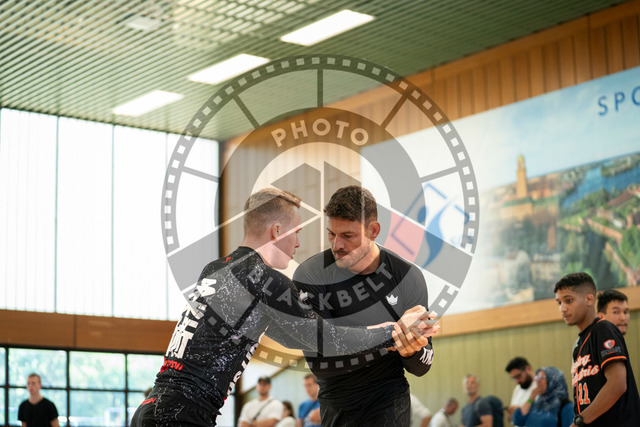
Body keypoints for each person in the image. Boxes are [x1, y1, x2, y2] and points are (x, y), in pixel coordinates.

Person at [131, 188, 437, 426]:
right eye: (297, 233)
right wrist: (394, 331)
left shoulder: (215, 268)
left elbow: (294, 337)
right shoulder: (265, 279)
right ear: (277, 231)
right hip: (181, 416)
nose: (298, 244)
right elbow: (325, 340)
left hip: (153, 407)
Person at [293, 186, 436, 426]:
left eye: (347, 236)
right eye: (331, 234)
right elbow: (321, 363)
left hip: (389, 401)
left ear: (373, 231)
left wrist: (411, 350)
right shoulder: (311, 275)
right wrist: (392, 335)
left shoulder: (407, 276)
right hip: (338, 404)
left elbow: (423, 366)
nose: (337, 245)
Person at [554, 272, 640, 426]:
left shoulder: (603, 329)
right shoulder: (579, 345)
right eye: (559, 302)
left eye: (568, 300)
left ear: (589, 299)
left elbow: (617, 384)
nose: (563, 308)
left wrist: (579, 421)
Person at [505, 357, 536, 425]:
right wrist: (510, 414)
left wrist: (520, 411)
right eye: (514, 378)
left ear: (528, 368)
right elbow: (512, 420)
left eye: (518, 376)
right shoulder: (518, 389)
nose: (517, 381)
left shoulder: (540, 386)